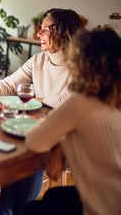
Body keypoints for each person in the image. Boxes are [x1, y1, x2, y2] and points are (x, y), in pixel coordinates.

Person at [0, 8, 84, 215]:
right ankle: (4, 212)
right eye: (40, 29)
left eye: (45, 30)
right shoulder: (38, 60)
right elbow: (8, 84)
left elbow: (63, 102)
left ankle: (22, 211)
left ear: (63, 32)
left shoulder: (80, 66)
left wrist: (33, 99)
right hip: (35, 127)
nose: (39, 34)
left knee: (34, 157)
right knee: (14, 151)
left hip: (66, 138)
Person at [24, 28, 121, 215]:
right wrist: (61, 148)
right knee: (54, 195)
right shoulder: (115, 97)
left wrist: (59, 143)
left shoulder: (82, 100)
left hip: (105, 208)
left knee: (32, 209)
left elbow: (34, 142)